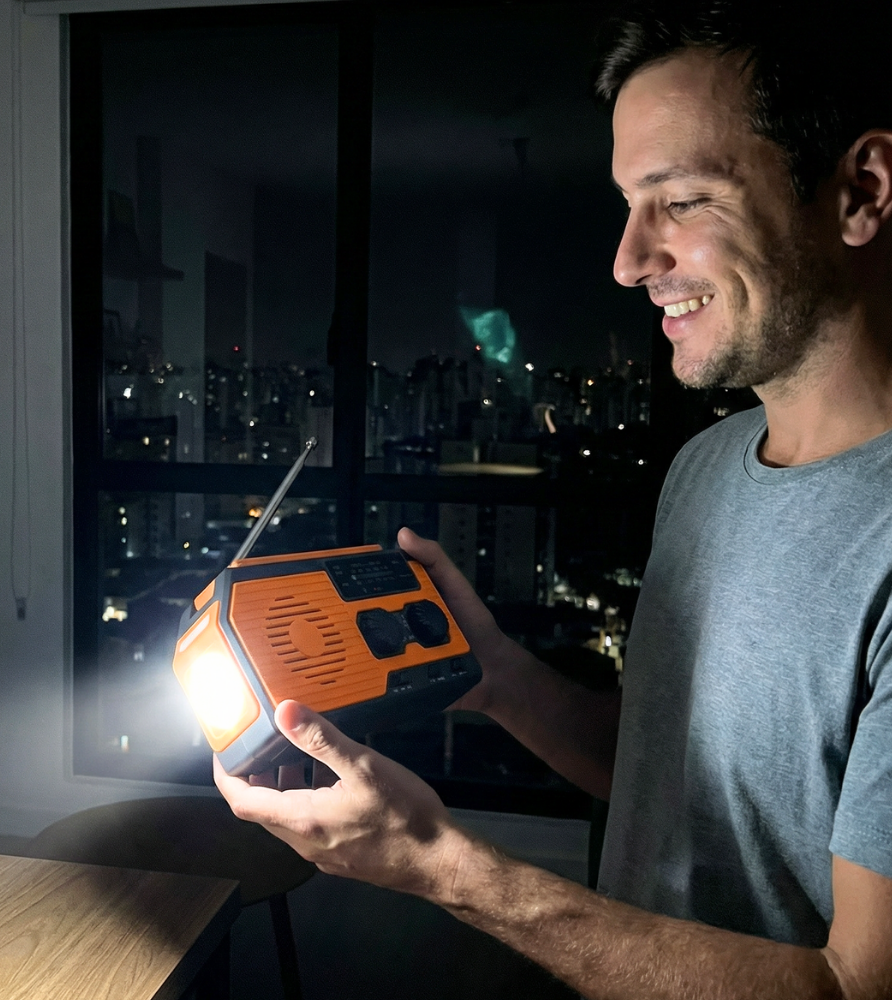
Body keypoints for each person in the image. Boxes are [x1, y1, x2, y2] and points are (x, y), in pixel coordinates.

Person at [215, 3, 892, 996]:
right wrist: (495, 674)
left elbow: (856, 986)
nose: (628, 261)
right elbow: (663, 777)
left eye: (682, 200)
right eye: (627, 204)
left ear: (860, 190)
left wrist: (440, 867)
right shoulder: (705, 468)